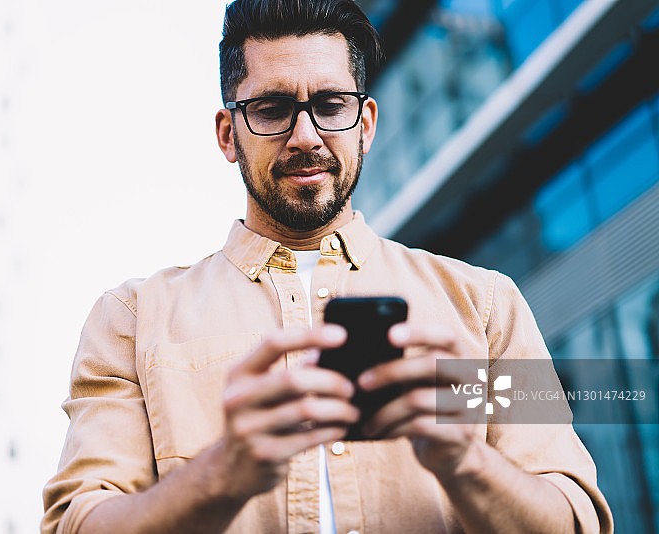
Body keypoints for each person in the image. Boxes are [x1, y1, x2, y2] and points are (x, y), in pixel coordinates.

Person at [42, 1, 613, 533]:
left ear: (365, 123)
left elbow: (574, 519)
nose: (305, 136)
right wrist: (222, 473)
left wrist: (465, 461)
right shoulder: (132, 319)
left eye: (331, 105)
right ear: (228, 135)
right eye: (271, 109)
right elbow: (78, 523)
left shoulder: (486, 306)